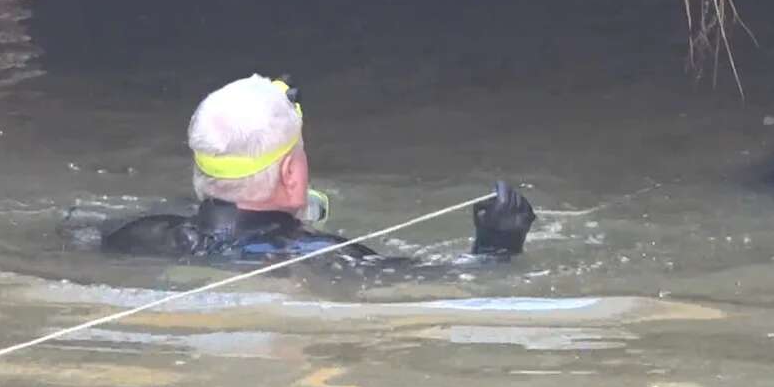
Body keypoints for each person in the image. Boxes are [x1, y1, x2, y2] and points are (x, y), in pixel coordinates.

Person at [101, 74, 537, 264]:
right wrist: (498, 246)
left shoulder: (138, 235)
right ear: (291, 175)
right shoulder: (327, 258)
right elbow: (460, 284)